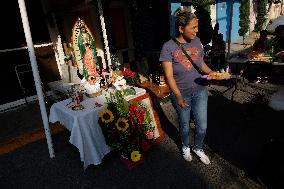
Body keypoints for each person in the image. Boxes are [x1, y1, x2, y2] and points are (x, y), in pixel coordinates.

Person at [159, 10, 215, 165]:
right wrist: (178, 96)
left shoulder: (197, 41)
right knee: (184, 125)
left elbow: (200, 63)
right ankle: (185, 146)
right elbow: (169, 77)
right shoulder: (168, 48)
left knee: (202, 125)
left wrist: (214, 74)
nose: (197, 31)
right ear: (181, 29)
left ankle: (198, 147)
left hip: (200, 90)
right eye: (193, 27)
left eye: (197, 27)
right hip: (181, 93)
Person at [77, 19, 100, 85]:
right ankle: (89, 75)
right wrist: (84, 44)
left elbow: (92, 43)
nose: (83, 29)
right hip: (85, 52)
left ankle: (94, 73)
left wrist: (89, 43)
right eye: (81, 28)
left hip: (90, 51)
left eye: (83, 28)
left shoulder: (88, 35)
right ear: (80, 29)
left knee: (92, 62)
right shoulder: (79, 37)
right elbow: (79, 44)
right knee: (88, 64)